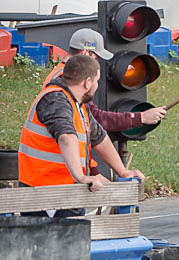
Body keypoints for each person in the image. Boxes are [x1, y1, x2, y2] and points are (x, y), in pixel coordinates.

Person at [18, 55, 145, 217]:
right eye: (97, 81)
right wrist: (81, 177)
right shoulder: (56, 100)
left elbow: (99, 138)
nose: (97, 86)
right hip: (45, 195)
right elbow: (66, 137)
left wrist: (123, 172)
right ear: (87, 82)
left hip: (65, 193)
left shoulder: (78, 106)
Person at [43, 28, 166, 132]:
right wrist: (141, 117)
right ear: (86, 52)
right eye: (96, 58)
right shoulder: (69, 81)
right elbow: (96, 118)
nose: (96, 63)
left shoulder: (60, 73)